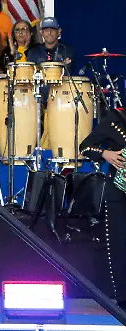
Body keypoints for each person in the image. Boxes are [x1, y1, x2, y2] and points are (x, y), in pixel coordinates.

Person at [79, 107, 126, 309]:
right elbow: (85, 147)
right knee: (119, 244)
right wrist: (105, 153)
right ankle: (123, 299)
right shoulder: (117, 118)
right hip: (118, 192)